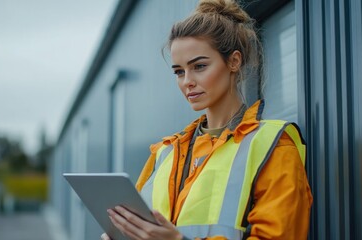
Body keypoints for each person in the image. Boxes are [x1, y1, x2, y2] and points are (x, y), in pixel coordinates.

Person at [102, 0, 313, 239]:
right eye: (179, 71)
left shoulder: (273, 145)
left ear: (234, 61)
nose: (187, 81)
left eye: (199, 66)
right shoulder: (165, 153)